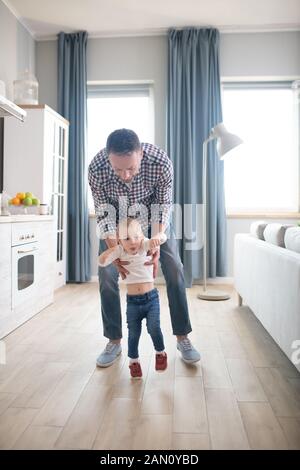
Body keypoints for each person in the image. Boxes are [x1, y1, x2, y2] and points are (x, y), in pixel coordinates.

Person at [88, 128, 200, 367]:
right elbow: (102, 211)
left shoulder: (160, 162)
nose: (125, 175)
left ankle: (183, 337)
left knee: (174, 267)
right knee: (106, 275)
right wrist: (114, 248)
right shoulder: (97, 167)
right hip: (116, 224)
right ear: (108, 158)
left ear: (141, 153)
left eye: (131, 168)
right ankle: (114, 341)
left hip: (151, 221)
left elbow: (163, 205)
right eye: (118, 169)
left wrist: (157, 237)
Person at [98, 217, 167, 378]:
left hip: (151, 300)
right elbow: (101, 262)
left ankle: (160, 352)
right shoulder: (120, 251)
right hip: (133, 303)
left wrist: (158, 238)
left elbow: (163, 237)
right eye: (127, 238)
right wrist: (111, 251)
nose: (133, 242)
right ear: (119, 240)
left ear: (142, 236)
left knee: (154, 328)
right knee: (133, 333)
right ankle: (133, 361)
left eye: (136, 236)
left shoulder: (144, 245)